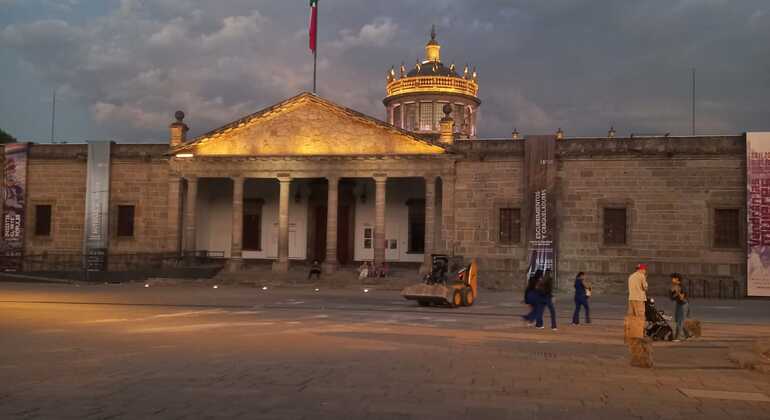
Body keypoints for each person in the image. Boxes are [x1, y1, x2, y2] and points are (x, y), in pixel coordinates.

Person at [669, 273, 691, 341]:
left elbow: (682, 297)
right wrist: (672, 293)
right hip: (679, 304)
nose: (671, 279)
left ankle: (677, 337)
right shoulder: (674, 286)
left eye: (673, 278)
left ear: (677, 279)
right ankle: (687, 334)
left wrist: (677, 293)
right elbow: (672, 298)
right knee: (678, 320)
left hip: (683, 304)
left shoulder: (681, 286)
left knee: (680, 321)